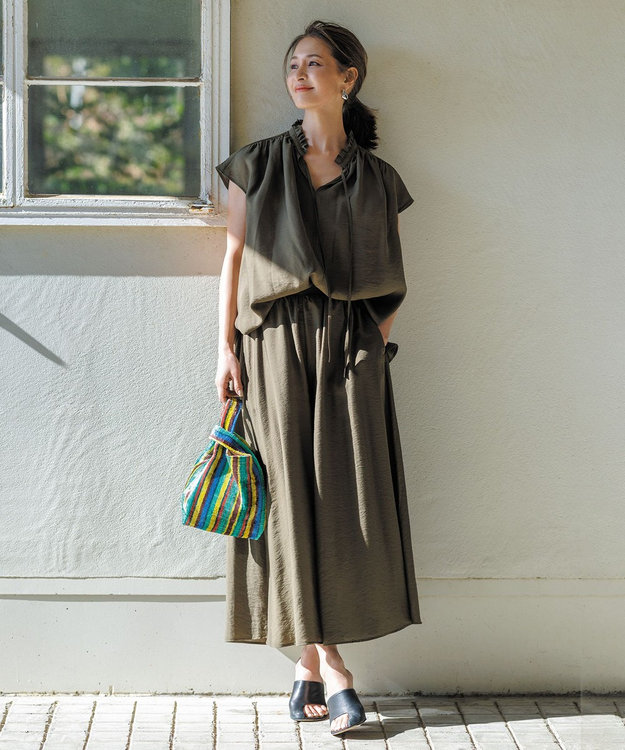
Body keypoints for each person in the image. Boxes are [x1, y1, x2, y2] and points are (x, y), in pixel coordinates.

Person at [214, 19, 422, 738]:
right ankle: (333, 668)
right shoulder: (257, 163)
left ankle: (305, 664)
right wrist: (225, 350)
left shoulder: (379, 180)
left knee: (338, 499)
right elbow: (234, 258)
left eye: (315, 64)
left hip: (349, 349)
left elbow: (392, 277)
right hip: (271, 343)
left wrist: (370, 349)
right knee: (283, 498)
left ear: (347, 78)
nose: (299, 75)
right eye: (292, 65)